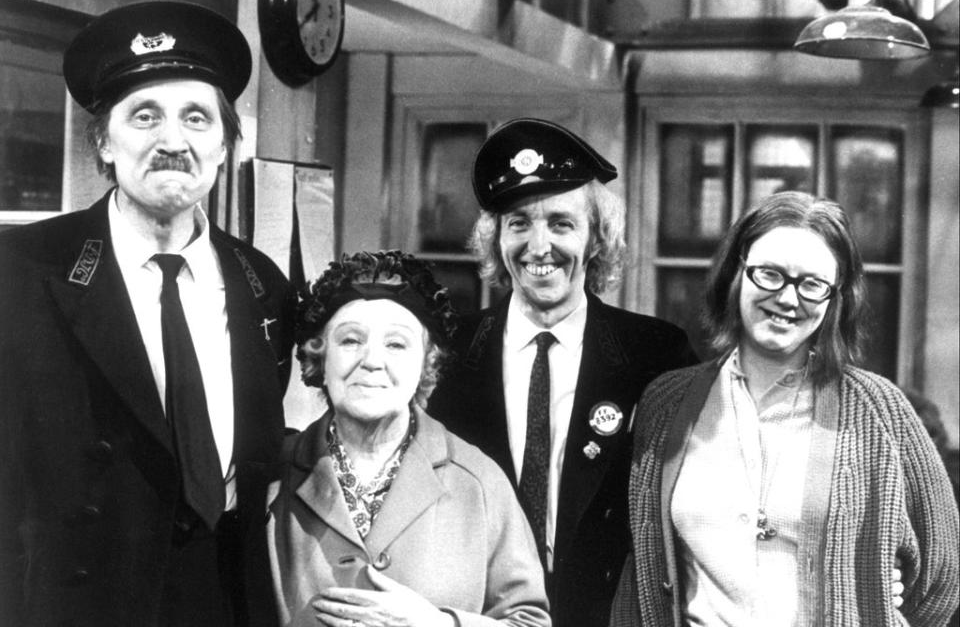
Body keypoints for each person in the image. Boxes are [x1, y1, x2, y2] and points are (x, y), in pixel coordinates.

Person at [0, 1, 296, 627]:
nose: (173, 141)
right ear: (104, 142)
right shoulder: (22, 272)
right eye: (144, 116)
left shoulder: (262, 283)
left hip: (227, 602)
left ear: (224, 144)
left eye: (196, 117)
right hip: (76, 605)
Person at [610, 191, 960, 626]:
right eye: (770, 274)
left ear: (836, 298)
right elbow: (642, 570)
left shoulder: (880, 410)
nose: (789, 298)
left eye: (812, 284)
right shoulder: (666, 404)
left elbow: (942, 579)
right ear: (736, 274)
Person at [427, 118, 697, 627]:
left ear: (596, 239)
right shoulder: (443, 352)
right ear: (496, 240)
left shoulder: (656, 354)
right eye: (519, 223)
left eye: (561, 223)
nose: (538, 245)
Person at [267, 251, 550, 627]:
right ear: (319, 356)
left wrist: (440, 624)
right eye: (351, 340)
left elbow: (530, 621)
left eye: (396, 345)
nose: (372, 361)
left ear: (427, 363)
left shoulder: (480, 482)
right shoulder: (270, 479)